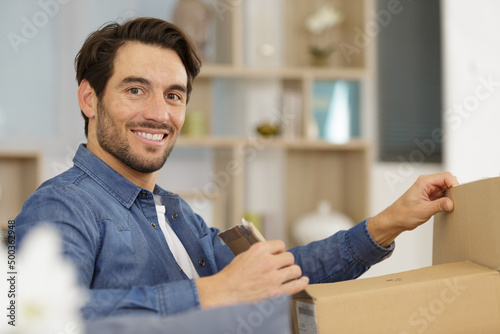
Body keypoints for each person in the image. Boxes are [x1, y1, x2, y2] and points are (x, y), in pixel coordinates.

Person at [15, 17, 459, 320]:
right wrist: (213, 292)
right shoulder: (62, 205)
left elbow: (280, 272)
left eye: (174, 95)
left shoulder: (174, 213)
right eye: (136, 89)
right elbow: (34, 317)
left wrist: (389, 223)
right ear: (89, 99)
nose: (159, 113)